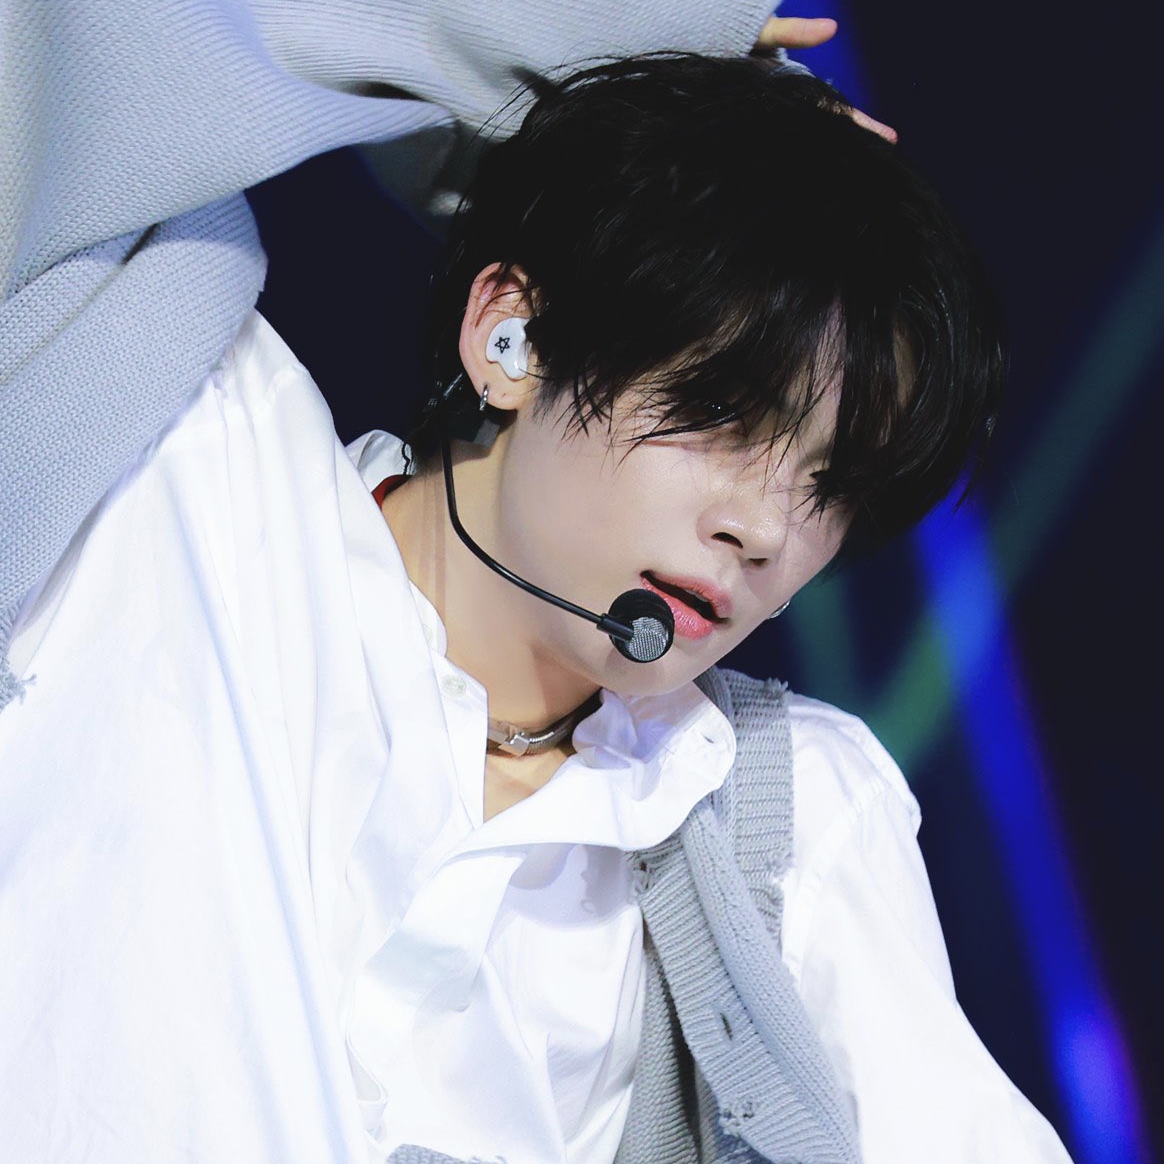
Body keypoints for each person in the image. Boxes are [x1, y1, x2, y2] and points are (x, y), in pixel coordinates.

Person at [0, 50, 1073, 1164]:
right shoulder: (190, 469)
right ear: (510, 338)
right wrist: (648, 37)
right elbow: (92, 51)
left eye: (831, 484)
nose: (766, 529)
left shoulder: (789, 815)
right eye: (724, 414)